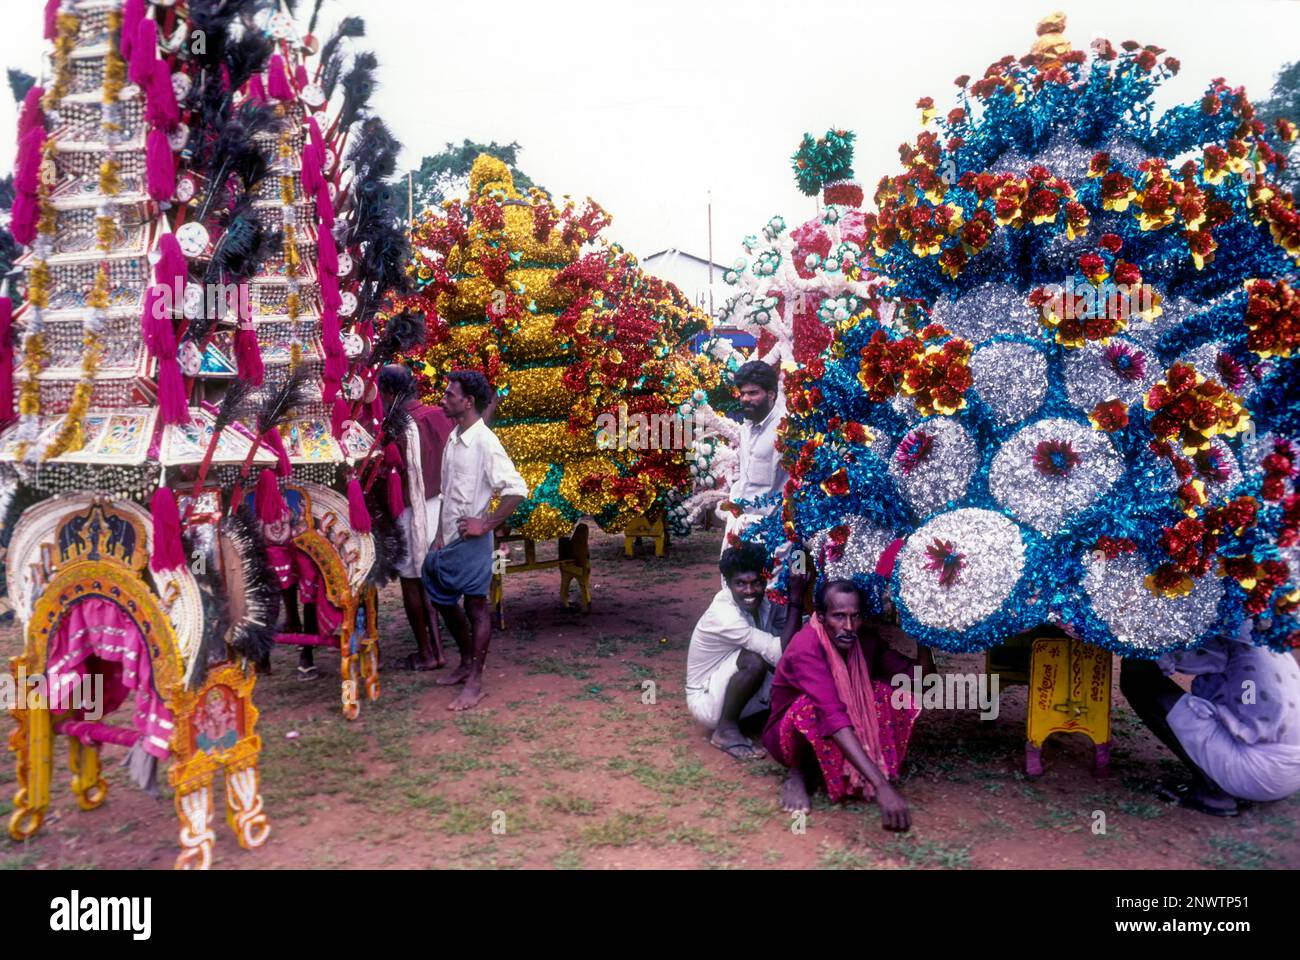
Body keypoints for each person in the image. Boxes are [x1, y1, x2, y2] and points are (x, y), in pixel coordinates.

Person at [762, 579, 922, 831]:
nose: (848, 626)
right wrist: (881, 786)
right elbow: (831, 714)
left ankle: (857, 765)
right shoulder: (807, 646)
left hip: (836, 725)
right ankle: (798, 773)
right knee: (810, 707)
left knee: (887, 695)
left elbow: (921, 680)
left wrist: (924, 635)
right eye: (839, 616)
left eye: (855, 616)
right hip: (789, 736)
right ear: (822, 617)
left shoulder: (864, 640)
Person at [423, 370, 528, 711]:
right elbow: (447, 491)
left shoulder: (485, 442)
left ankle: (476, 681)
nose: (443, 399)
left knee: (476, 607)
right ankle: (467, 661)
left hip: (473, 541)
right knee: (439, 596)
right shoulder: (454, 438)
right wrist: (439, 534)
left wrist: (486, 524)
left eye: (450, 395)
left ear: (467, 402)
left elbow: (517, 489)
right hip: (450, 540)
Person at [1120, 621, 1300, 816]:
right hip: (1290, 772)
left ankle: (1214, 791)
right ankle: (1223, 777)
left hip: (1257, 774)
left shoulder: (1230, 633)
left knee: (1138, 677)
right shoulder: (1263, 629)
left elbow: (1155, 656)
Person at [379, 364, 453, 672]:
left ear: (390, 393)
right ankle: (438, 648)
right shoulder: (440, 414)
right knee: (432, 580)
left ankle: (428, 652)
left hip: (413, 512)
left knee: (412, 582)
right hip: (442, 508)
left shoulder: (393, 426)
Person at [686, 543, 788, 760]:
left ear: (766, 579)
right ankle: (725, 730)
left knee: (782, 655)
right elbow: (779, 652)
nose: (749, 591)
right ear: (727, 584)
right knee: (754, 661)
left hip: (736, 686)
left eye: (756, 583)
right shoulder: (724, 613)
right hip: (707, 700)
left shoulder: (770, 599)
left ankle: (763, 716)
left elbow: (788, 630)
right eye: (740, 584)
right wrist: (797, 600)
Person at [718, 360, 788, 555]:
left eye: (753, 393)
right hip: (739, 524)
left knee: (772, 585)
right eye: (742, 394)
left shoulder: (787, 429)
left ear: (771, 394)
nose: (745, 399)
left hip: (773, 530)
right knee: (734, 582)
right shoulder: (746, 428)